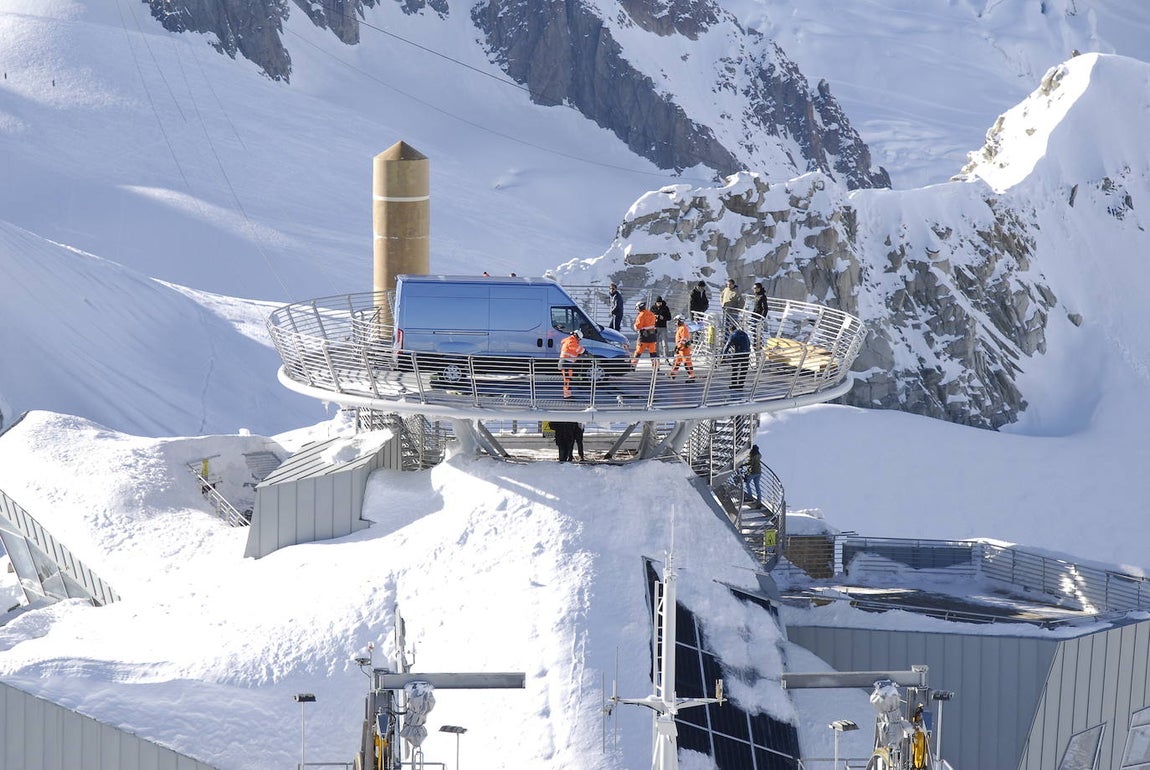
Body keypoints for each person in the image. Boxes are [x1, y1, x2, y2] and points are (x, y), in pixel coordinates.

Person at [559, 329, 586, 398]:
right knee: (567, 380)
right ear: (577, 337)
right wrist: (584, 351)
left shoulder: (571, 340)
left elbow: (574, 351)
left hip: (568, 363)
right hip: (566, 363)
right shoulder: (571, 340)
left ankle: (568, 394)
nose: (579, 340)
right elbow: (577, 349)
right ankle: (566, 395)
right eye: (579, 339)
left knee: (568, 380)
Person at [632, 300, 659, 369]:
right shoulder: (651, 314)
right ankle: (656, 367)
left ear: (639, 308)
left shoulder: (641, 315)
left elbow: (638, 327)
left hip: (643, 338)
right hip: (652, 337)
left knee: (638, 352)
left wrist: (635, 326)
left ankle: (633, 366)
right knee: (653, 353)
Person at [723, 325, 751, 389]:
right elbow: (749, 343)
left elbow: (727, 345)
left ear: (731, 330)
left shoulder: (733, 334)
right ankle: (741, 385)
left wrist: (724, 356)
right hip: (746, 353)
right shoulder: (744, 333)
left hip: (738, 353)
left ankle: (734, 384)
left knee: (735, 368)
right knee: (743, 369)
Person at [668, 315, 695, 380]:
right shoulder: (680, 328)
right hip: (680, 349)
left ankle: (692, 376)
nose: (675, 322)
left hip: (684, 349)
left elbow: (684, 339)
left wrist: (679, 347)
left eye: (676, 321)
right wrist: (677, 347)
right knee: (677, 361)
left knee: (687, 363)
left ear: (680, 321)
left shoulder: (683, 328)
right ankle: (673, 373)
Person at [652, 296, 673, 362]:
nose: (659, 304)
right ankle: (657, 357)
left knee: (664, 343)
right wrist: (655, 317)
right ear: (656, 303)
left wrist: (663, 318)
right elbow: (650, 316)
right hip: (655, 327)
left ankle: (666, 357)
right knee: (656, 343)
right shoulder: (653, 308)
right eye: (658, 303)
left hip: (663, 327)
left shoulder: (665, 308)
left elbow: (669, 317)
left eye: (660, 303)